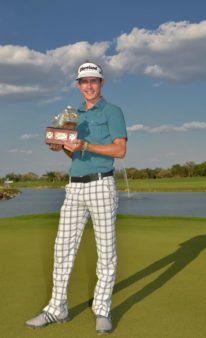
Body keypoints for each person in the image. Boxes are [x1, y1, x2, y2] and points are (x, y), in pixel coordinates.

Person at [25, 61, 127, 334]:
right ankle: (57, 308)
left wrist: (85, 144)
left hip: (101, 185)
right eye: (84, 81)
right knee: (62, 249)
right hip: (75, 187)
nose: (89, 85)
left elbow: (119, 150)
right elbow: (75, 152)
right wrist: (62, 147)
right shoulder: (74, 115)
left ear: (101, 83)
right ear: (78, 85)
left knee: (106, 252)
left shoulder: (113, 111)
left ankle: (102, 310)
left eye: (94, 80)